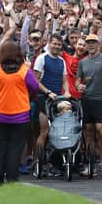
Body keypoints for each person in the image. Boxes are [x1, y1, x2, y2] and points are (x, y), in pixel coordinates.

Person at [0, 42, 40, 185]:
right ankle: (12, 179)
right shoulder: (24, 71)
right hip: (20, 116)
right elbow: (35, 86)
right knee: (15, 148)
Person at [76, 34, 102, 178]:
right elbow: (77, 80)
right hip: (86, 99)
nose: (91, 45)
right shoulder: (83, 62)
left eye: (93, 42)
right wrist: (79, 86)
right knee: (88, 131)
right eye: (88, 43)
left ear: (98, 44)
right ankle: (88, 164)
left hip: (100, 99)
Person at [33, 33, 70, 176]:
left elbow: (65, 80)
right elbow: (35, 81)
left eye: (59, 45)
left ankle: (56, 163)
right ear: (49, 43)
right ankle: (38, 162)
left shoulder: (61, 61)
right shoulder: (42, 58)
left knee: (59, 132)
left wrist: (66, 91)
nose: (56, 46)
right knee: (45, 131)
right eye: (54, 43)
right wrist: (48, 92)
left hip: (58, 99)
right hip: (44, 98)